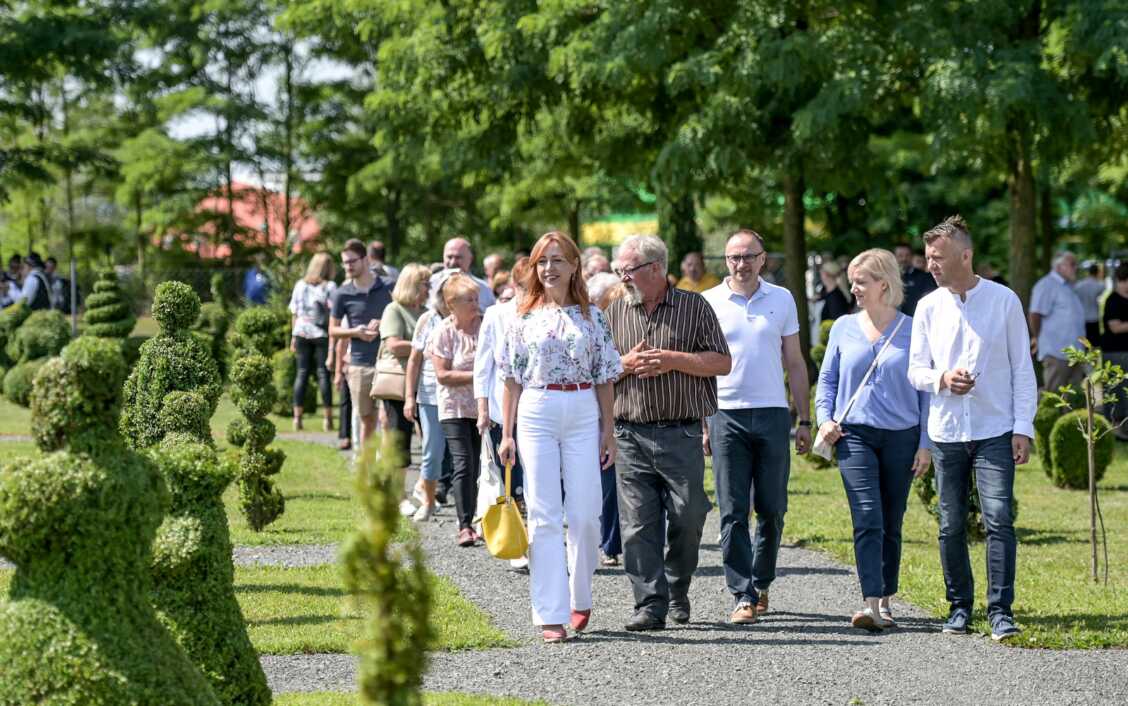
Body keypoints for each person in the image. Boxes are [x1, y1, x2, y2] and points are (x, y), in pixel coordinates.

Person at [908, 215, 1036, 642]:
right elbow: (915, 371)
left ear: (966, 255)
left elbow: (1022, 368)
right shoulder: (927, 306)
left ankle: (1001, 611)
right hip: (946, 432)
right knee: (950, 524)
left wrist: (1024, 427)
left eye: (938, 257)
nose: (931, 265)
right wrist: (941, 379)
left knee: (998, 519)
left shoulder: (1004, 301)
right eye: (928, 258)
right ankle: (959, 607)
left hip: (995, 430)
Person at [497, 232, 621, 643]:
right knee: (545, 514)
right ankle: (549, 613)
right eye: (542, 261)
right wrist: (507, 432)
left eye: (557, 260)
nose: (549, 268)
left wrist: (609, 429)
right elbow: (510, 378)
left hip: (584, 408)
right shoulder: (522, 315)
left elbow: (605, 376)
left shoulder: (593, 317)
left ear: (573, 266)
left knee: (585, 515)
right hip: (536, 410)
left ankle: (580, 594)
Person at [605, 234, 731, 631]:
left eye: (628, 270)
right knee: (638, 524)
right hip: (629, 433)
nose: (622, 277)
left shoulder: (695, 307)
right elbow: (598, 370)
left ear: (655, 268)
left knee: (689, 515)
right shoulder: (613, 312)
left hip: (681, 433)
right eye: (619, 270)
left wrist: (674, 360)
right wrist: (623, 363)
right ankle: (650, 604)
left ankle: (677, 588)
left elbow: (722, 362)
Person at [816, 248, 932, 631]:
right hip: (855, 435)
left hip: (902, 435)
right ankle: (871, 604)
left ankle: (885, 597)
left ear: (884, 284)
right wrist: (824, 419)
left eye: (861, 281)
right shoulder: (843, 328)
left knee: (892, 518)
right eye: (852, 281)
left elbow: (925, 392)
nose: (854, 288)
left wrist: (925, 443)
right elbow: (828, 381)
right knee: (867, 516)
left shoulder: (914, 329)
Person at [702, 229, 811, 625]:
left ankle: (762, 582)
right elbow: (701, 367)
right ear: (726, 262)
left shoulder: (781, 299)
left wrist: (804, 418)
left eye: (749, 256)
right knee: (732, 509)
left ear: (763, 259)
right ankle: (741, 593)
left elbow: (795, 362)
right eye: (734, 257)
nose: (741, 264)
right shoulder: (709, 301)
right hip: (724, 413)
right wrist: (703, 421)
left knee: (772, 508)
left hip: (771, 413)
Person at [429, 274, 484, 545]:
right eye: (469, 300)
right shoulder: (444, 331)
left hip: (484, 407)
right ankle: (464, 525)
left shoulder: (486, 326)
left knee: (479, 467)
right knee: (463, 463)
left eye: (476, 298)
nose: (476, 304)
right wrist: (479, 375)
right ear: (452, 305)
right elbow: (442, 374)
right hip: (454, 408)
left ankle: (479, 518)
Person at [474, 258, 529, 510]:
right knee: (507, 474)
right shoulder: (496, 315)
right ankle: (514, 534)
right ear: (514, 284)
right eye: (524, 286)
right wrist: (483, 409)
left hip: (536, 409)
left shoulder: (548, 313)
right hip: (501, 407)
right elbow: (483, 366)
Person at [377, 263, 430, 512]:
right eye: (425, 284)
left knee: (428, 440)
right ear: (412, 285)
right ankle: (399, 495)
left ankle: (423, 489)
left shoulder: (427, 311)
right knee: (400, 440)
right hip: (399, 383)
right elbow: (394, 345)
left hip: (425, 383)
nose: (429, 289)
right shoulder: (394, 310)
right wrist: (424, 346)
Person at [404, 270, 457, 521]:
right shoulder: (427, 320)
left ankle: (467, 509)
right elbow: (414, 361)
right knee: (432, 450)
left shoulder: (469, 319)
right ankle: (427, 499)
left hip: (460, 396)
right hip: (430, 395)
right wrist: (409, 397)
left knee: (461, 454)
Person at [330, 239, 393, 445]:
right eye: (345, 263)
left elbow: (404, 315)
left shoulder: (388, 286)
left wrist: (384, 322)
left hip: (387, 362)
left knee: (386, 420)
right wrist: (355, 332)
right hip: (359, 365)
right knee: (367, 420)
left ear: (365, 259)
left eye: (352, 262)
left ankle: (385, 467)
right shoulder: (342, 294)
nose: (348, 266)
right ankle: (366, 469)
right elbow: (332, 329)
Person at [586, 272, 628, 566]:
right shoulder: (590, 327)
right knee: (606, 480)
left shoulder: (625, 324)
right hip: (598, 413)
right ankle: (607, 542)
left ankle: (615, 542)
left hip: (629, 410)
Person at [289, 252, 338, 432]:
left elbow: (294, 312)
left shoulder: (300, 285)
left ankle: (297, 418)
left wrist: (293, 337)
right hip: (321, 333)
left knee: (301, 373)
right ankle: (328, 419)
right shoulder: (330, 286)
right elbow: (335, 313)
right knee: (323, 374)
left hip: (301, 331)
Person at [1030, 251, 1086, 392]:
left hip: (1075, 353)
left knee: (1074, 399)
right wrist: (1037, 337)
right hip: (1056, 353)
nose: (1076, 268)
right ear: (1059, 266)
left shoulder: (1069, 286)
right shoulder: (1046, 285)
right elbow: (1035, 314)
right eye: (1072, 264)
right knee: (1055, 397)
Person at [429, 237, 496, 310]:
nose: (453, 262)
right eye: (449, 257)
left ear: (470, 258)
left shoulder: (483, 289)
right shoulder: (430, 284)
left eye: (458, 257)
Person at [1102, 263, 1128, 439]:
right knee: (1116, 391)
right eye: (1123, 280)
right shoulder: (1113, 301)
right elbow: (1115, 327)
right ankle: (1115, 430)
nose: (1126, 284)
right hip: (1115, 353)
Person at [895, 244, 937, 316]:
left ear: (912, 257)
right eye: (900, 256)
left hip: (916, 319)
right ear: (894, 257)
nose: (904, 259)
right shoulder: (888, 278)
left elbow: (931, 299)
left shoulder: (925, 277)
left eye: (907, 255)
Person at [1074, 262, 1105, 345]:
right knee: (1094, 346)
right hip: (1094, 318)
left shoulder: (1079, 285)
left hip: (1082, 318)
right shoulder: (1100, 285)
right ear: (1097, 272)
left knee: (1082, 344)